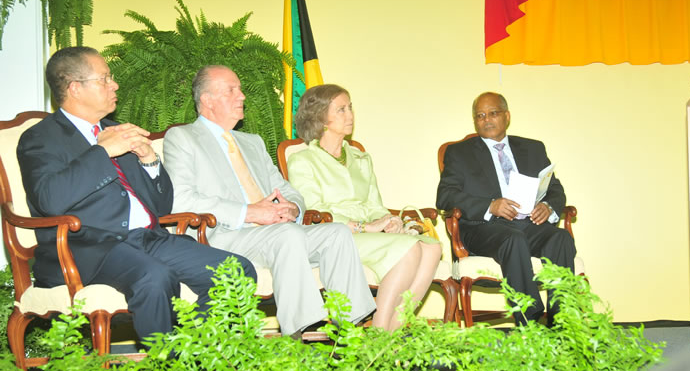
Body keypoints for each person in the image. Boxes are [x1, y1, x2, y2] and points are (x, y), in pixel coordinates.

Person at [16, 47, 256, 344]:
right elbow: (49, 200)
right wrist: (101, 152)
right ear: (75, 88)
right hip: (89, 248)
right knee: (154, 277)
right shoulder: (41, 138)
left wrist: (149, 160)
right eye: (104, 79)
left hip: (148, 239)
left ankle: (194, 355)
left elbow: (161, 205)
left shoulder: (118, 130)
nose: (114, 85)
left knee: (235, 271)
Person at [162, 66, 375, 338]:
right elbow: (180, 198)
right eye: (232, 90)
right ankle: (301, 334)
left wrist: (294, 207)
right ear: (207, 100)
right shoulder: (183, 138)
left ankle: (351, 331)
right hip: (224, 236)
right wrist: (250, 213)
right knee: (286, 235)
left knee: (337, 233)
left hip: (275, 231)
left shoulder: (252, 142)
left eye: (240, 89)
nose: (242, 96)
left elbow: (285, 188)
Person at [286, 84, 442, 332]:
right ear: (320, 117)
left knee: (433, 249)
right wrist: (364, 226)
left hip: (368, 233)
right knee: (411, 250)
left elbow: (373, 205)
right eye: (341, 109)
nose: (350, 115)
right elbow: (312, 211)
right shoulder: (302, 160)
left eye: (350, 107)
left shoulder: (361, 158)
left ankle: (390, 337)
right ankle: (380, 335)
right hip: (335, 236)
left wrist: (389, 220)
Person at [435, 92, 575, 326]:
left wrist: (547, 206)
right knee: (513, 239)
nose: (486, 119)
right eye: (479, 115)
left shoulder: (533, 148)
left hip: (527, 224)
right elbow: (445, 196)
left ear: (507, 116)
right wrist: (490, 206)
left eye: (493, 113)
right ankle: (530, 322)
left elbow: (555, 188)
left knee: (560, 238)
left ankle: (563, 322)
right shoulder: (460, 153)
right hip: (482, 228)